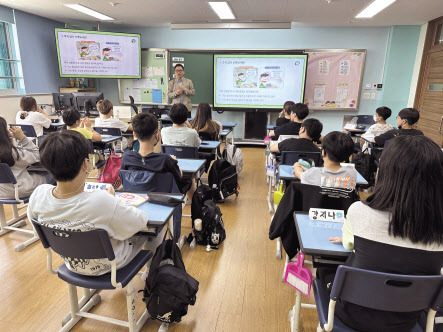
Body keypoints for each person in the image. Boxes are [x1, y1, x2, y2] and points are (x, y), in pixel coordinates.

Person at [330, 135, 443, 331]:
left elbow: (349, 245)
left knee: (326, 270)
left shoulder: (359, 211)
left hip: (353, 316)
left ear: (386, 172)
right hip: (406, 321)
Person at [27, 130, 151, 276]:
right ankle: (151, 274)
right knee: (153, 230)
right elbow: (141, 221)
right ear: (86, 164)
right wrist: (114, 201)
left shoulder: (39, 194)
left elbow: (38, 230)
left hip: (71, 262)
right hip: (110, 265)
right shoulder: (101, 201)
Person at [121, 112, 195, 200]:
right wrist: (176, 163)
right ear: (157, 134)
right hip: (164, 203)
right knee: (190, 179)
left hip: (136, 201)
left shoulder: (127, 157)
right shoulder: (166, 160)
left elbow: (123, 178)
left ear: (134, 134)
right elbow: (178, 177)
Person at [0, 117, 50, 199]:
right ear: (4, 133)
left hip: (1, 191)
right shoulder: (12, 153)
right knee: (53, 173)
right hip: (18, 191)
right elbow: (37, 155)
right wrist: (22, 138)